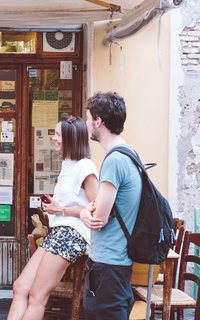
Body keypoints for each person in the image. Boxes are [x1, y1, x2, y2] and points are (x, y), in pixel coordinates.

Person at [8, 116, 98, 320]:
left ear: (71, 138)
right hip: (59, 232)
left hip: (72, 234)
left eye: (58, 134)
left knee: (37, 296)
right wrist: (56, 210)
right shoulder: (68, 163)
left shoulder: (86, 167)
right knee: (20, 286)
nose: (54, 138)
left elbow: (97, 208)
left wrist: (62, 210)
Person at [80, 92, 142, 319]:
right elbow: (101, 203)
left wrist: (87, 210)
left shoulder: (114, 160)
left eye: (88, 119)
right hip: (119, 263)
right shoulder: (130, 154)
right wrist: (89, 207)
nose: (87, 124)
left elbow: (99, 219)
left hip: (107, 264)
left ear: (99, 122)